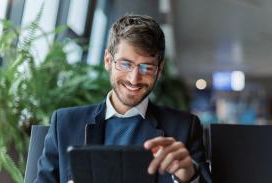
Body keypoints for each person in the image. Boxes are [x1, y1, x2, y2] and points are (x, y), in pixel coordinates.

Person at [35, 14, 212, 183]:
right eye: (125, 64)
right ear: (107, 60)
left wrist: (189, 178)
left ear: (159, 70)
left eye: (146, 68)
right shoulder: (65, 124)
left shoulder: (184, 128)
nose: (134, 79)